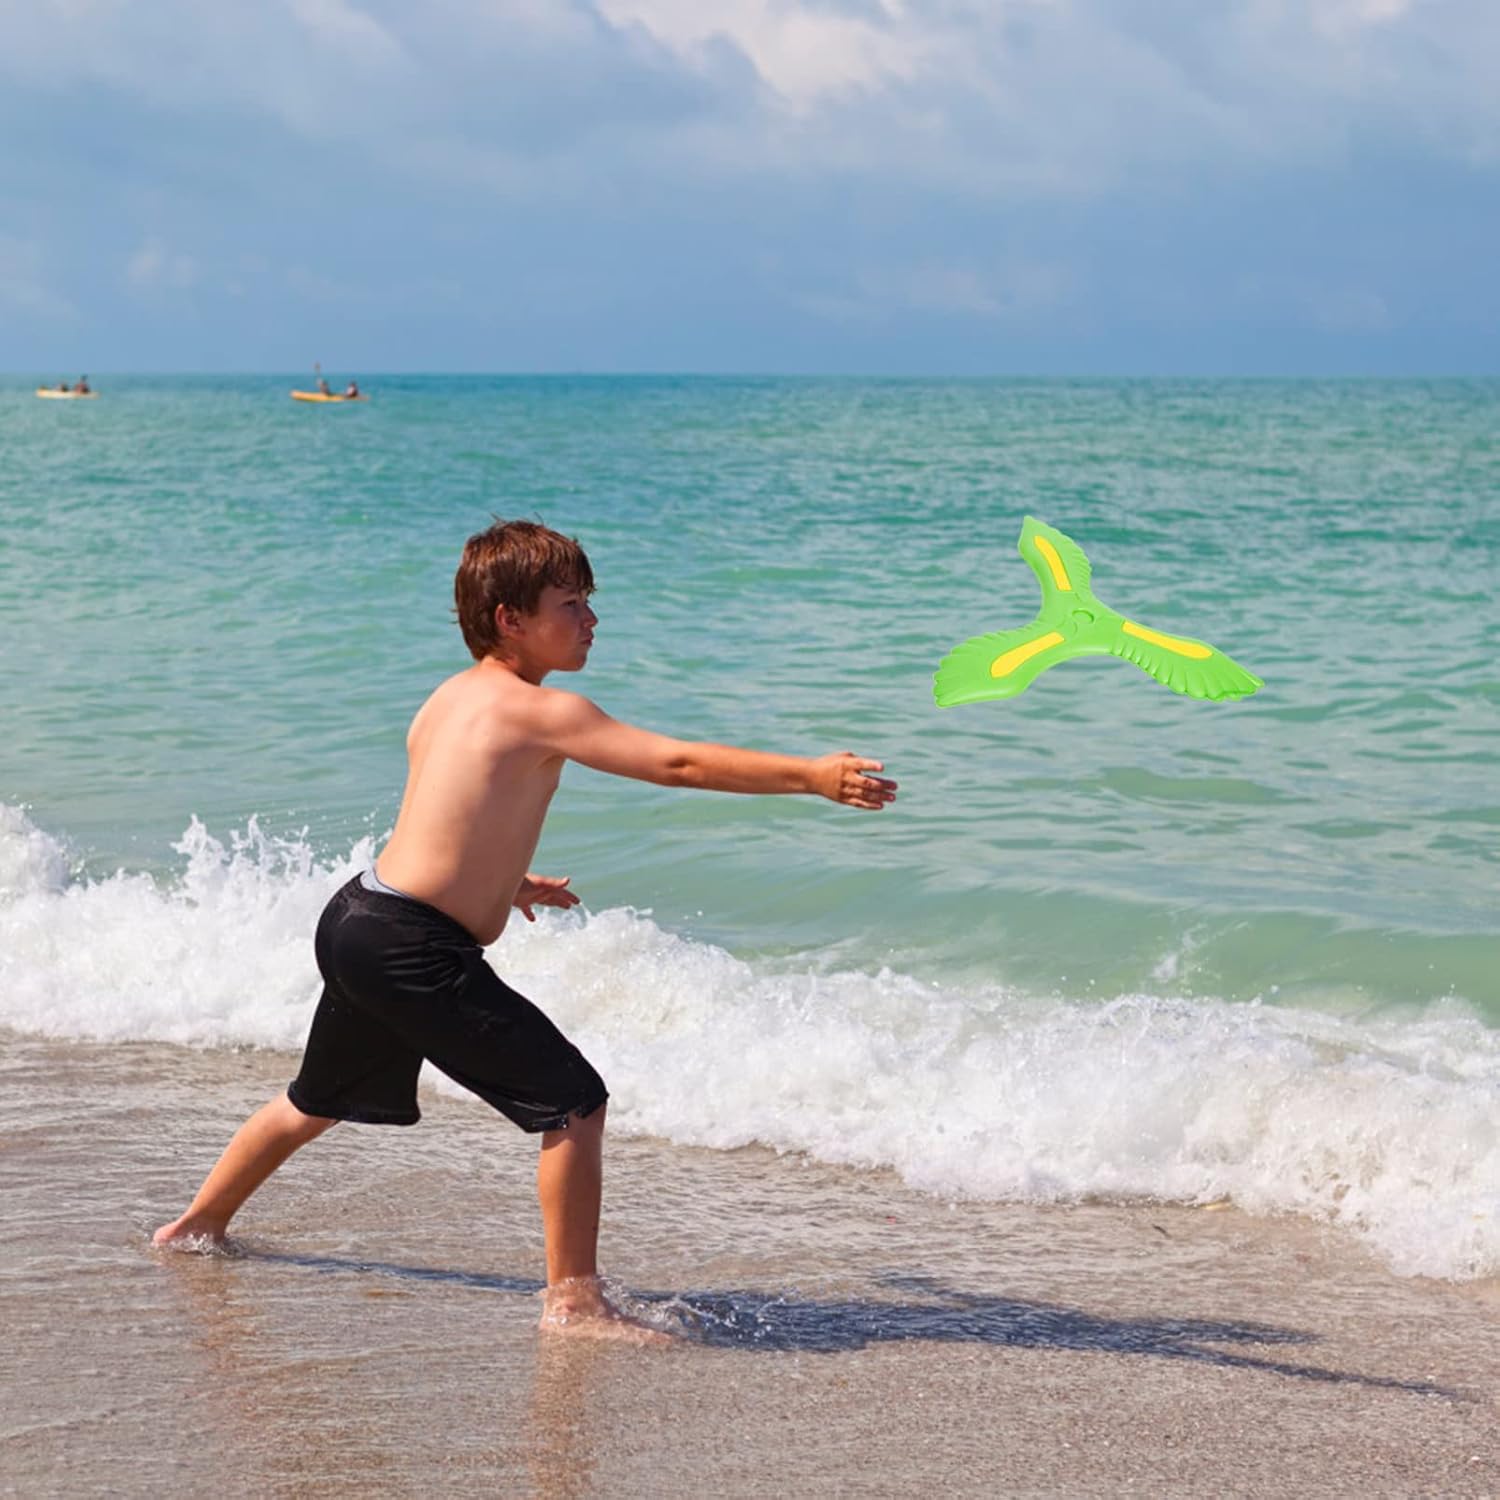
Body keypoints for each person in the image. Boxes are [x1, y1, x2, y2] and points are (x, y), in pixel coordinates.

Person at [153, 519, 897, 1339]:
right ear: (510, 619)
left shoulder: (449, 697)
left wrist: (504, 883)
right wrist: (810, 776)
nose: (591, 620)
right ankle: (573, 1301)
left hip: (361, 915)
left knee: (314, 1100)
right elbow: (676, 763)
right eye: (570, 605)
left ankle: (194, 1226)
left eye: (588, 602)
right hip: (409, 946)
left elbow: (444, 815)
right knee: (573, 1104)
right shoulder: (545, 712)